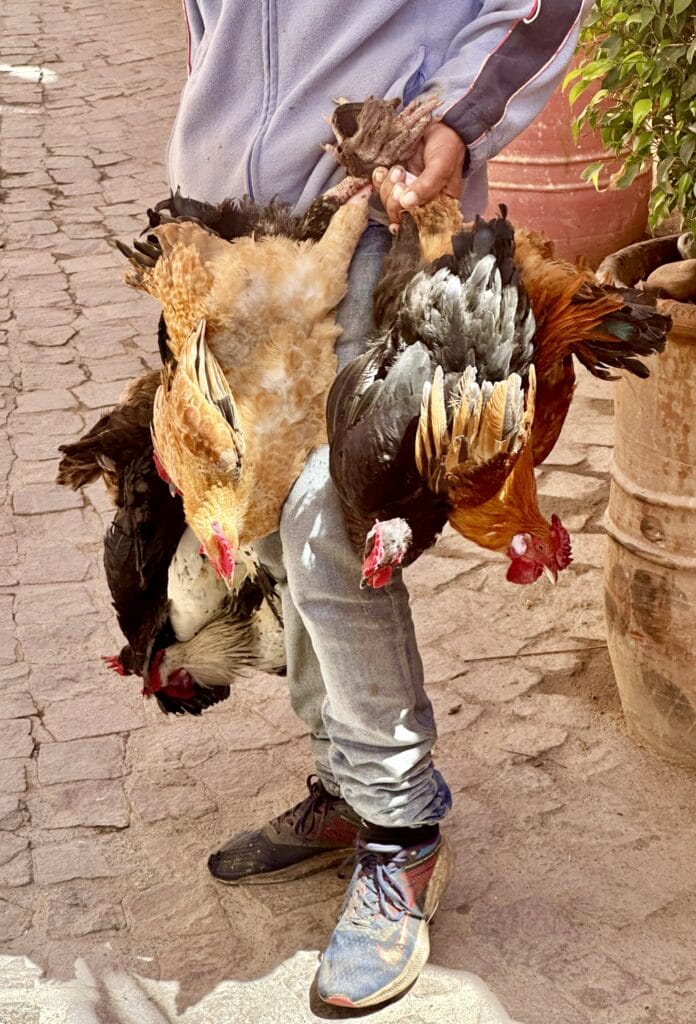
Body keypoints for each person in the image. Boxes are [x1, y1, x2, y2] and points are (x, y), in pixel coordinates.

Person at [167, 1, 591, 1009]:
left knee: (331, 516)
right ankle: (351, 786)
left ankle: (401, 831)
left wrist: (453, 119)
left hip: (381, 210)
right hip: (229, 227)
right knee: (265, 518)